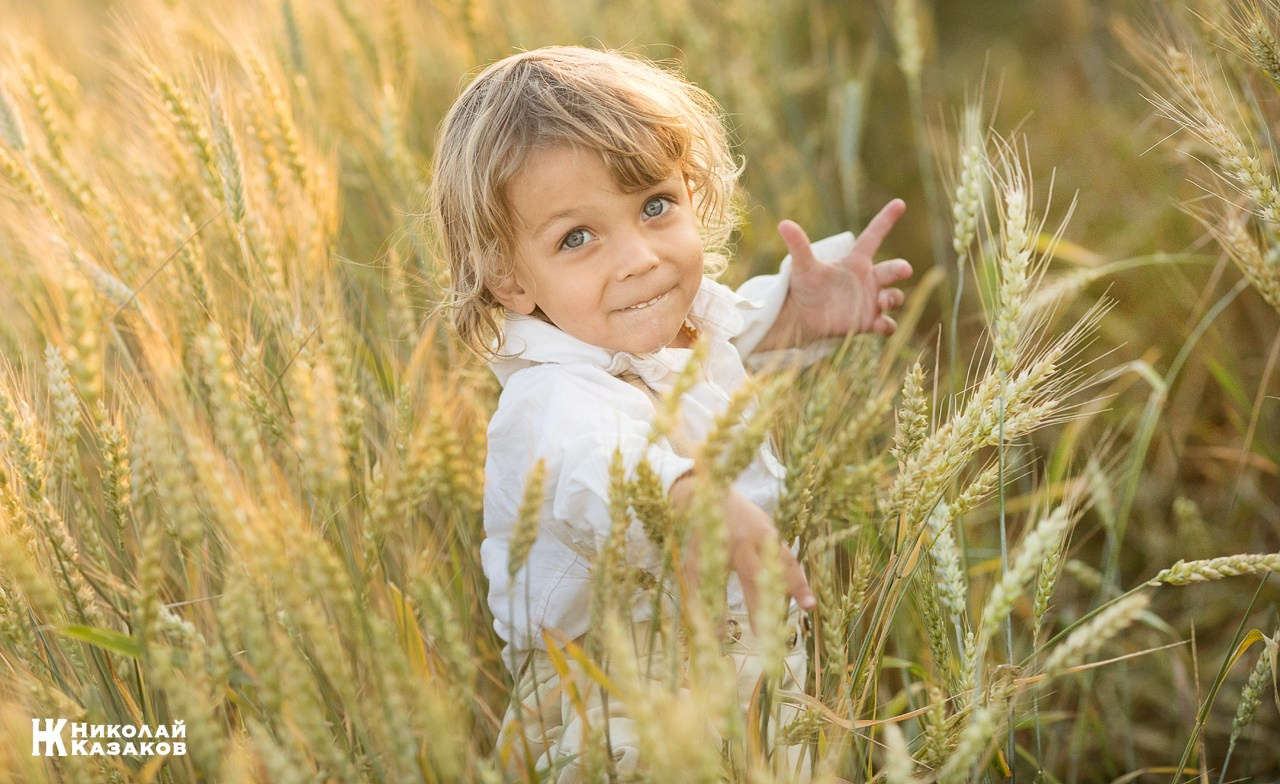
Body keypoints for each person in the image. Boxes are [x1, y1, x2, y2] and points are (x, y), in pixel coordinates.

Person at [432, 45, 912, 782]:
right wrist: (688, 501)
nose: (640, 259)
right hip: (615, 719)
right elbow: (600, 459)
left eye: (656, 205)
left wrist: (798, 312)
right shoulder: (547, 401)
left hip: (737, 686)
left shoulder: (646, 327)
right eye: (577, 237)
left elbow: (724, 335)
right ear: (507, 276)